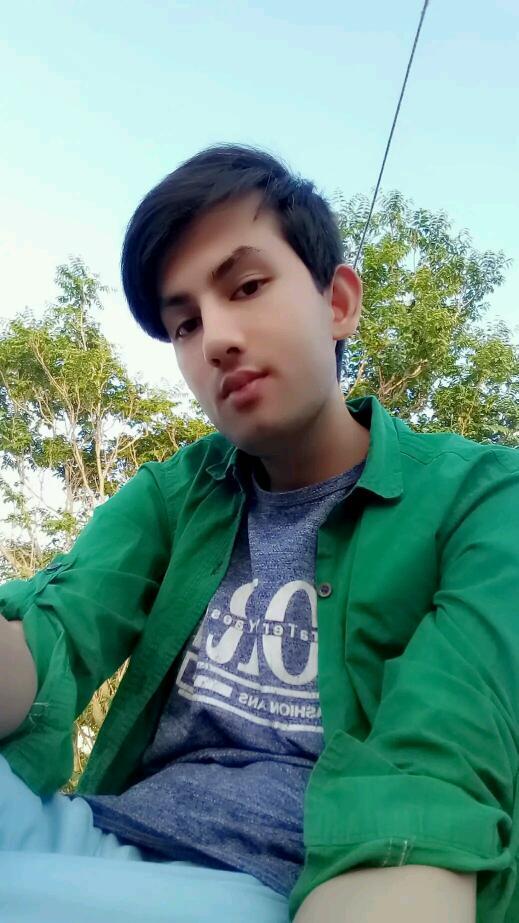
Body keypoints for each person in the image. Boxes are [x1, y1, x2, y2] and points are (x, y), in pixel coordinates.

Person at [1, 144, 517, 923]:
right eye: (184, 323)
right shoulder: (175, 493)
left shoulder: (481, 498)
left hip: (279, 885)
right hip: (90, 838)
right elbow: (59, 630)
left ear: (337, 302)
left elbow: (439, 763)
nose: (214, 338)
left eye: (245, 287)